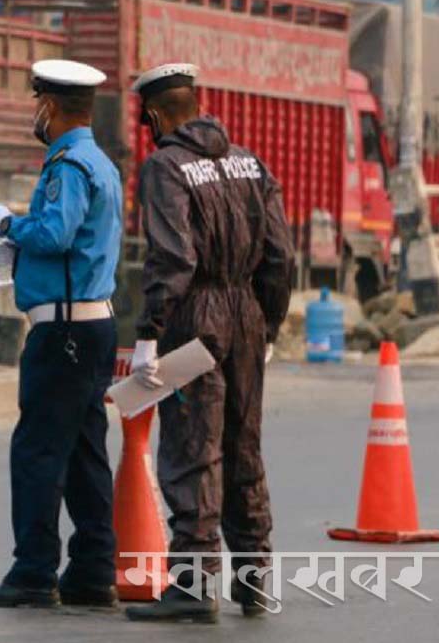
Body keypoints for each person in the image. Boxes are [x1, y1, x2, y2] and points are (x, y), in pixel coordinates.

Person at [123, 64, 293, 623]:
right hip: (245, 312)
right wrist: (267, 322)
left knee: (195, 448)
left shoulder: (165, 167)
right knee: (244, 446)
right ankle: (255, 582)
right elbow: (280, 255)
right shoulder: (250, 162)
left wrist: (149, 333)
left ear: (152, 115)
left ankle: (194, 588)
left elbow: (173, 258)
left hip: (195, 318)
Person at [0, 59, 123, 610]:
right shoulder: (100, 162)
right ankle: (92, 569)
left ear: (51, 107)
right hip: (93, 323)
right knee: (84, 453)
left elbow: (56, 233)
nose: (36, 113)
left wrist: (7, 225)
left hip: (63, 331)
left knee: (37, 451)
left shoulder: (68, 166)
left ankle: (34, 572)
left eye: (38, 103)